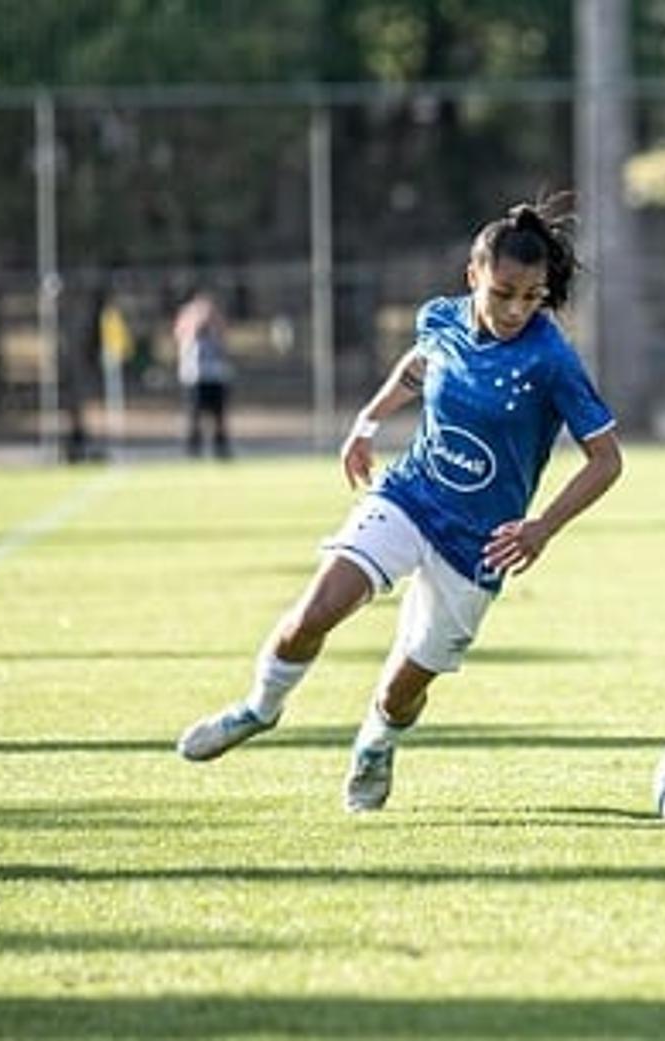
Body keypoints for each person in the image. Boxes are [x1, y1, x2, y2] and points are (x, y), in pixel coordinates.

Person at [175, 200, 623, 813]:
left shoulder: (551, 360)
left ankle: (377, 743)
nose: (517, 309)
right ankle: (258, 709)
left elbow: (607, 460)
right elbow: (419, 365)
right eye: (504, 293)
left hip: (479, 544)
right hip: (410, 495)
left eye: (532, 296)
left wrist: (542, 526)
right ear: (474, 277)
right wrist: (368, 421)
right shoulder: (441, 319)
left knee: (401, 691)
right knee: (313, 612)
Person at [173, 289, 233, 459]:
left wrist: (212, 319)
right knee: (194, 416)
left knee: (219, 417)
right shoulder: (188, 320)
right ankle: (193, 450)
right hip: (194, 377)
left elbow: (225, 336)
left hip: (215, 376)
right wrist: (195, 319)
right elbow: (180, 334)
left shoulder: (216, 323)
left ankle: (221, 449)